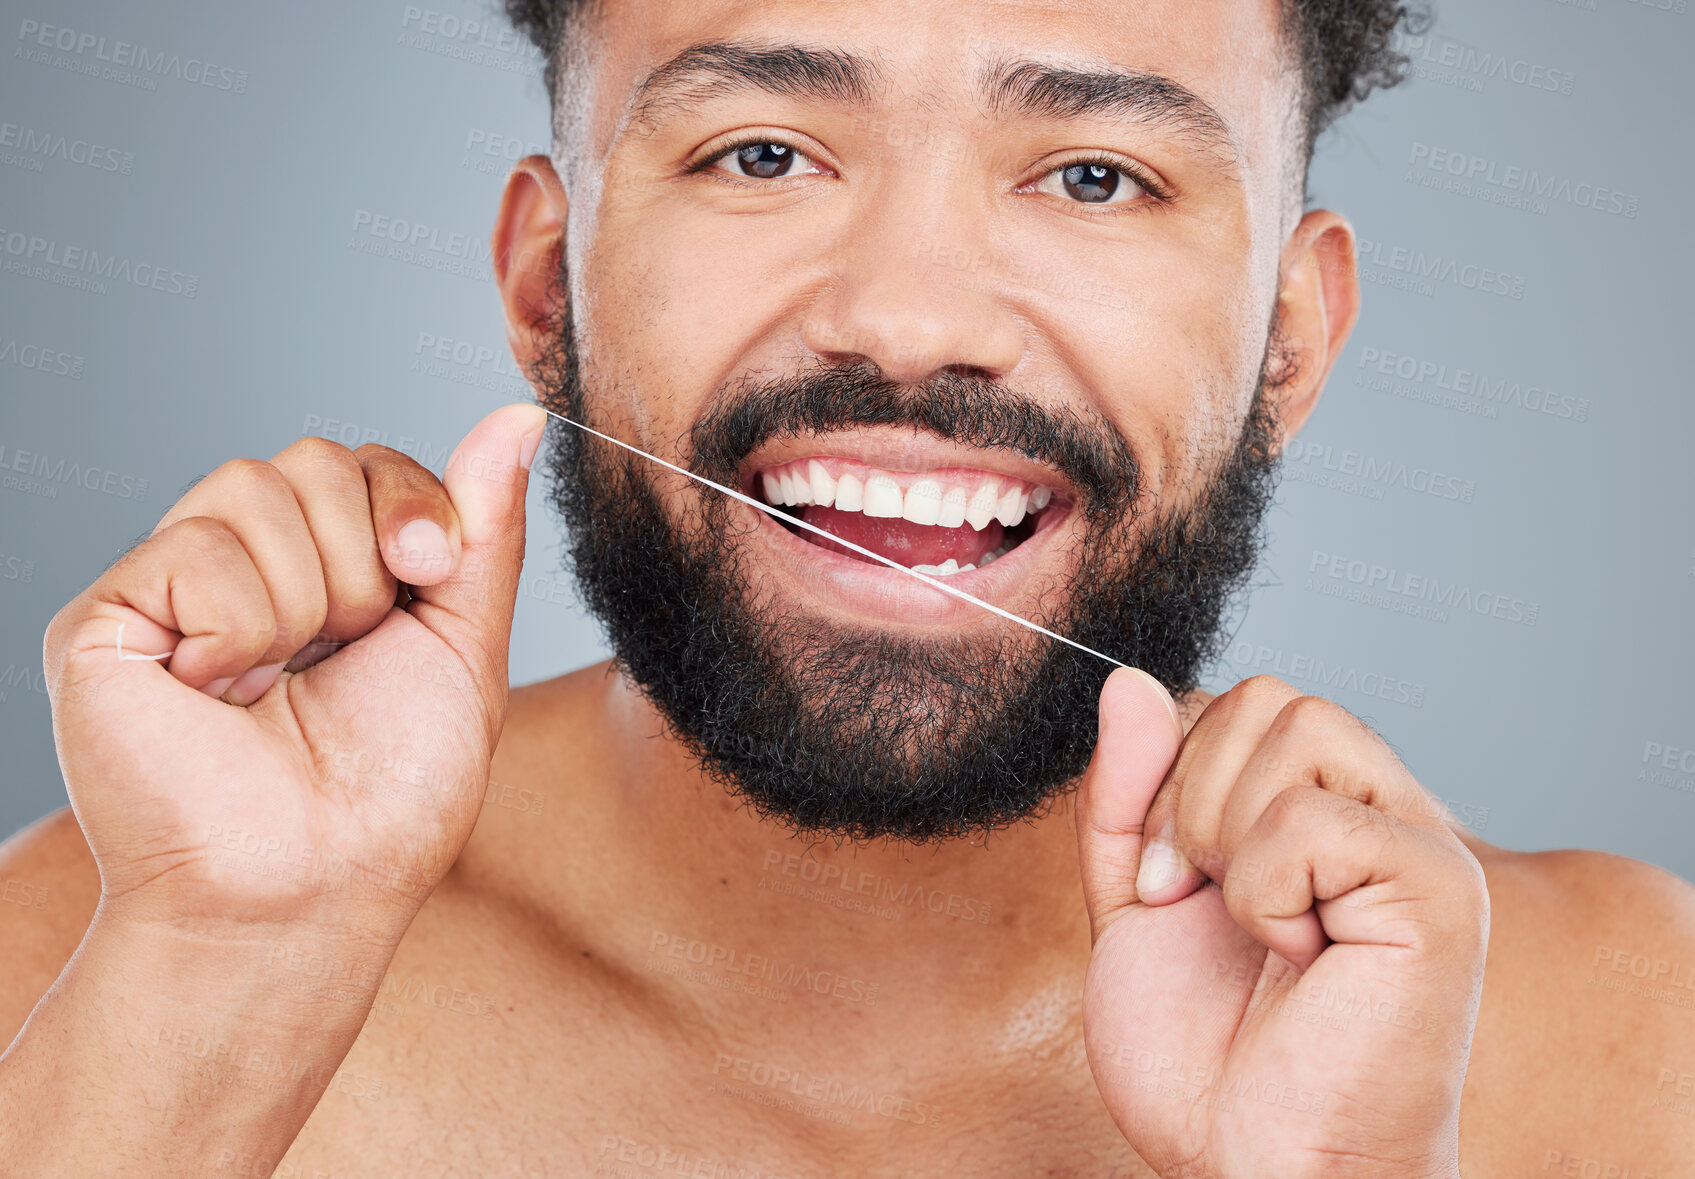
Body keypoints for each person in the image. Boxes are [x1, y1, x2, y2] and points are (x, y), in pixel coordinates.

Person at [4, 1, 1692, 1175]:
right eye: (761, 154)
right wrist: (215, 987)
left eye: (1094, 175)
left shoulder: (1639, 1039)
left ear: (1293, 341)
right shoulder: (103, 954)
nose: (907, 315)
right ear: (545, 283)